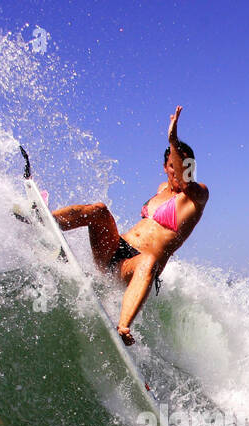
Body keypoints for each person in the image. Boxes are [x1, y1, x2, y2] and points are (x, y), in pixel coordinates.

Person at [51, 106, 208, 345]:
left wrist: (173, 140)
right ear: (166, 167)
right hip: (114, 248)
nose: (179, 170)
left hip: (135, 266)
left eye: (186, 165)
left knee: (149, 260)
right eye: (173, 165)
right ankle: (49, 220)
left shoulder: (196, 196)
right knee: (100, 210)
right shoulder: (161, 190)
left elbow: (186, 183)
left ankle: (123, 326)